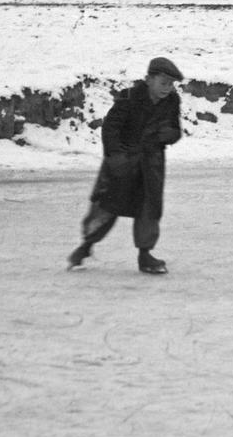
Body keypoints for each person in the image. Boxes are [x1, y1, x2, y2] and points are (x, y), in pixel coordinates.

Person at [68, 56, 184, 275]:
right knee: (106, 207)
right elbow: (110, 129)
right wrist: (115, 157)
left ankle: (145, 255)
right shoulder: (129, 98)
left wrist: (170, 135)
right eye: (163, 83)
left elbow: (175, 130)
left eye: (171, 84)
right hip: (123, 163)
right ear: (149, 79)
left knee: (149, 209)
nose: (167, 89)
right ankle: (85, 247)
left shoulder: (172, 102)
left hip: (151, 166)